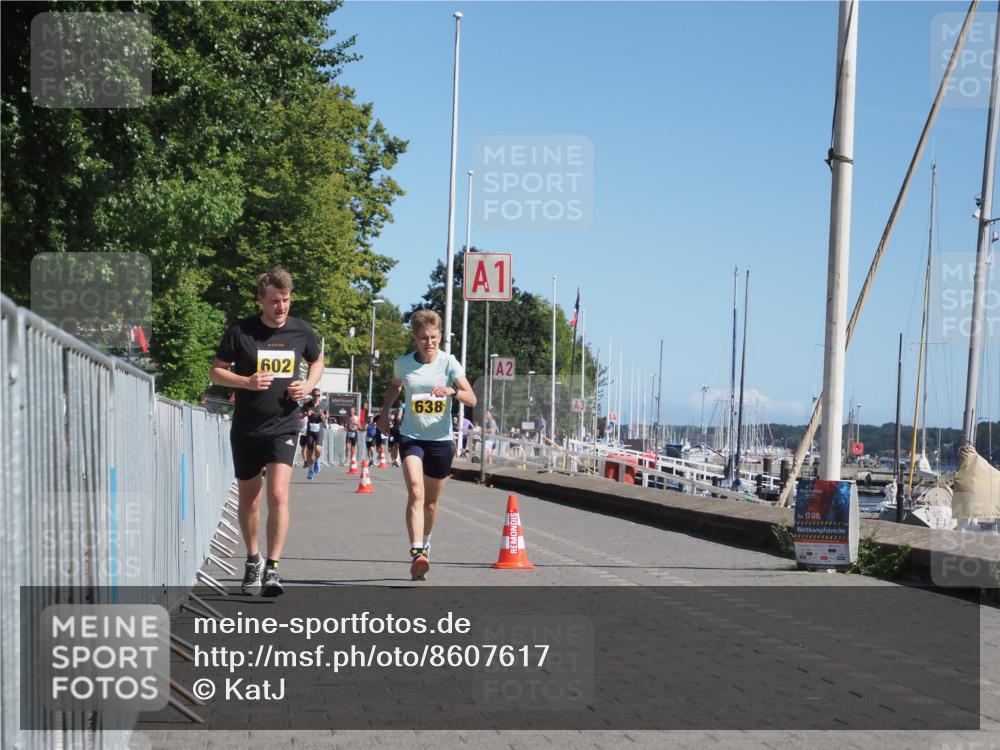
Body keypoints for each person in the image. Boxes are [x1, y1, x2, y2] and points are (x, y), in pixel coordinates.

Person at [210, 268, 322, 597]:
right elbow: (216, 372)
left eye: (286, 301)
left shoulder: (302, 331)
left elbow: (317, 361)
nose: (281, 307)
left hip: (284, 423)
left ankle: (272, 568)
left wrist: (309, 384)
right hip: (247, 425)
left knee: (277, 494)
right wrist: (245, 382)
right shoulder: (241, 331)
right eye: (275, 301)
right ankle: (253, 558)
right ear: (261, 299)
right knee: (251, 498)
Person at [376, 310, 476, 581]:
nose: (428, 342)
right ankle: (416, 551)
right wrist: (385, 413)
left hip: (440, 441)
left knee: (431, 503)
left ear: (440, 336)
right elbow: (394, 387)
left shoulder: (449, 363)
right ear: (415, 338)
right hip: (411, 437)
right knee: (416, 493)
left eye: (433, 337)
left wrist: (452, 391)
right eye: (423, 338)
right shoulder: (403, 363)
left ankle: (426, 543)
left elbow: (472, 398)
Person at [304, 389, 327, 479]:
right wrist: (306, 413)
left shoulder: (323, 404)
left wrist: (323, 416)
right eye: (315, 395)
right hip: (310, 430)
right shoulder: (307, 405)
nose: (316, 397)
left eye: (318, 395)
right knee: (309, 452)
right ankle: (310, 471)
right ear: (312, 395)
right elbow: (300, 416)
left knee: (318, 448)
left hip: (319, 429)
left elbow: (326, 416)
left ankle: (317, 461)